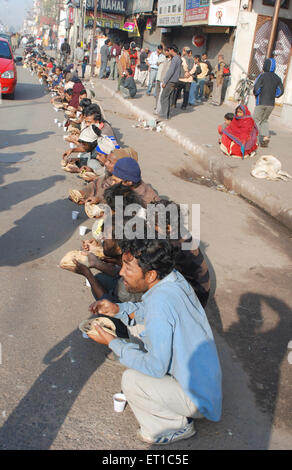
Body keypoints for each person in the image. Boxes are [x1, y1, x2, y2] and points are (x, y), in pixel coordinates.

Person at [87, 237, 222, 445]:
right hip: (204, 381)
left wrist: (112, 342)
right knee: (136, 326)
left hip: (197, 398)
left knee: (132, 380)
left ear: (150, 275)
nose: (121, 273)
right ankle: (172, 403)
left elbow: (155, 367)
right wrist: (119, 310)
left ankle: (175, 425)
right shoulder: (171, 278)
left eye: (128, 268)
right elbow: (147, 311)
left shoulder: (160, 304)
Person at [253, 58, 284, 148]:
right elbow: (280, 91)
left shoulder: (262, 76)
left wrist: (257, 94)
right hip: (271, 104)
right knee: (264, 120)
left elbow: (256, 88)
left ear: (265, 65)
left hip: (261, 101)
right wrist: (274, 95)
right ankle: (265, 137)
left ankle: (253, 139)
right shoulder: (277, 78)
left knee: (255, 120)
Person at [159, 45, 182, 120]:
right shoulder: (178, 58)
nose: (169, 52)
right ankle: (167, 115)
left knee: (163, 97)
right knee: (168, 98)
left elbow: (170, 71)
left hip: (171, 81)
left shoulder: (175, 59)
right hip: (174, 81)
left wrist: (165, 81)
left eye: (169, 50)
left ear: (172, 50)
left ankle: (164, 115)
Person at [154, 48, 170, 113]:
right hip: (158, 77)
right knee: (157, 94)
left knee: (161, 95)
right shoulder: (163, 58)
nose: (166, 53)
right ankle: (157, 107)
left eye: (167, 51)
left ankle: (159, 110)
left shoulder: (170, 60)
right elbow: (157, 63)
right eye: (165, 51)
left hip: (164, 79)